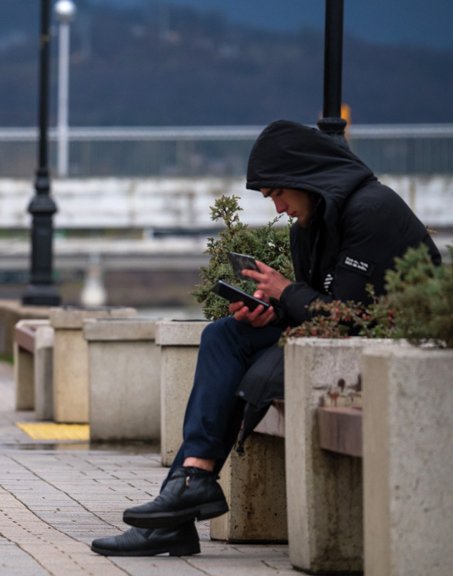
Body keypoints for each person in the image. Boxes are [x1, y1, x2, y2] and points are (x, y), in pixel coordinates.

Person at [90, 120, 442, 557]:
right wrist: (269, 312)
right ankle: (189, 485)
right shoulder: (307, 227)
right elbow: (318, 311)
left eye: (278, 193)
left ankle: (178, 509)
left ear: (304, 177)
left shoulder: (372, 210)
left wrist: (286, 293)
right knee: (225, 335)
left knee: (252, 369)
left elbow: (348, 321)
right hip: (329, 347)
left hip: (389, 354)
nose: (277, 208)